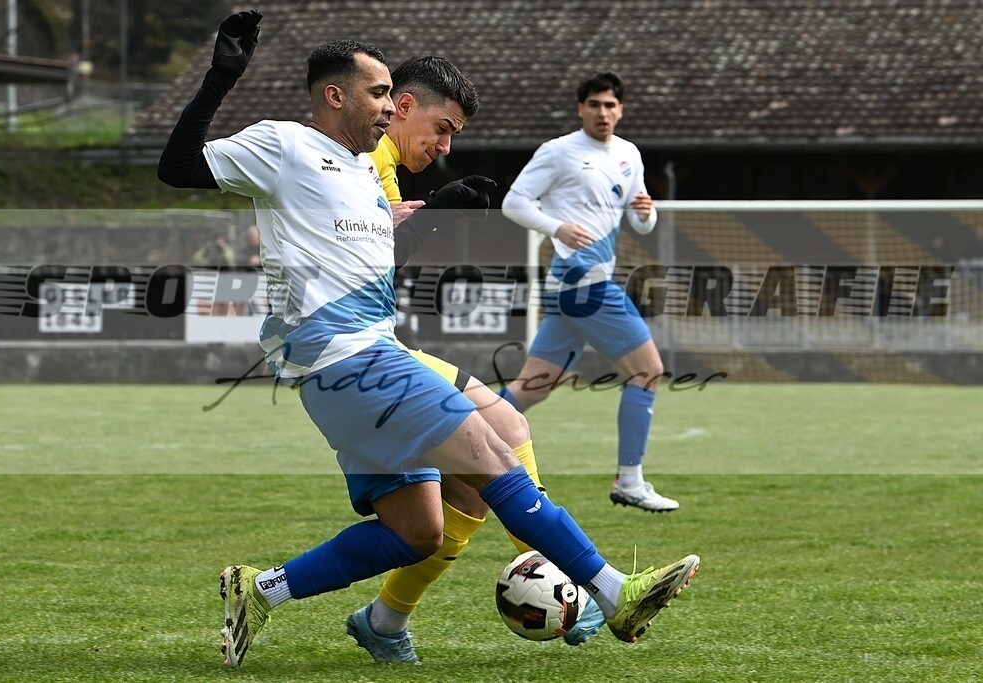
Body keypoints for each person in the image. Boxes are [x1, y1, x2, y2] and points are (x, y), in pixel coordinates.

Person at [158, 11, 699, 669]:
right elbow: (178, 166)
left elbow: (378, 259)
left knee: (420, 530)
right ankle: (613, 591)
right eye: (380, 93)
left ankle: (261, 588)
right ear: (337, 95)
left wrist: (441, 207)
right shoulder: (285, 145)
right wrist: (220, 78)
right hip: (348, 358)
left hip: (354, 363)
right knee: (495, 450)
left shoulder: (359, 173)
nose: (389, 107)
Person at [345, 55, 599, 662]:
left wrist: (422, 213)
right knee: (507, 429)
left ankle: (381, 620)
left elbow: (382, 252)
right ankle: (576, 575)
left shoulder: (380, 167)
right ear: (403, 107)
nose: (444, 145)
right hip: (353, 351)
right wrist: (430, 213)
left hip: (374, 344)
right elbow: (365, 261)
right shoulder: (360, 162)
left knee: (462, 498)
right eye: (443, 128)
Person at [500, 71, 679, 513]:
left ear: (621, 110)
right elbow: (514, 202)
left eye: (610, 105)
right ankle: (630, 480)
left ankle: (455, 447)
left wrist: (646, 214)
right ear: (581, 108)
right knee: (648, 371)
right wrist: (555, 226)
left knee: (533, 387)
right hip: (582, 281)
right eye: (595, 104)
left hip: (579, 284)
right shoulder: (558, 152)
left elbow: (640, 220)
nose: (603, 113)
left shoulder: (628, 154)